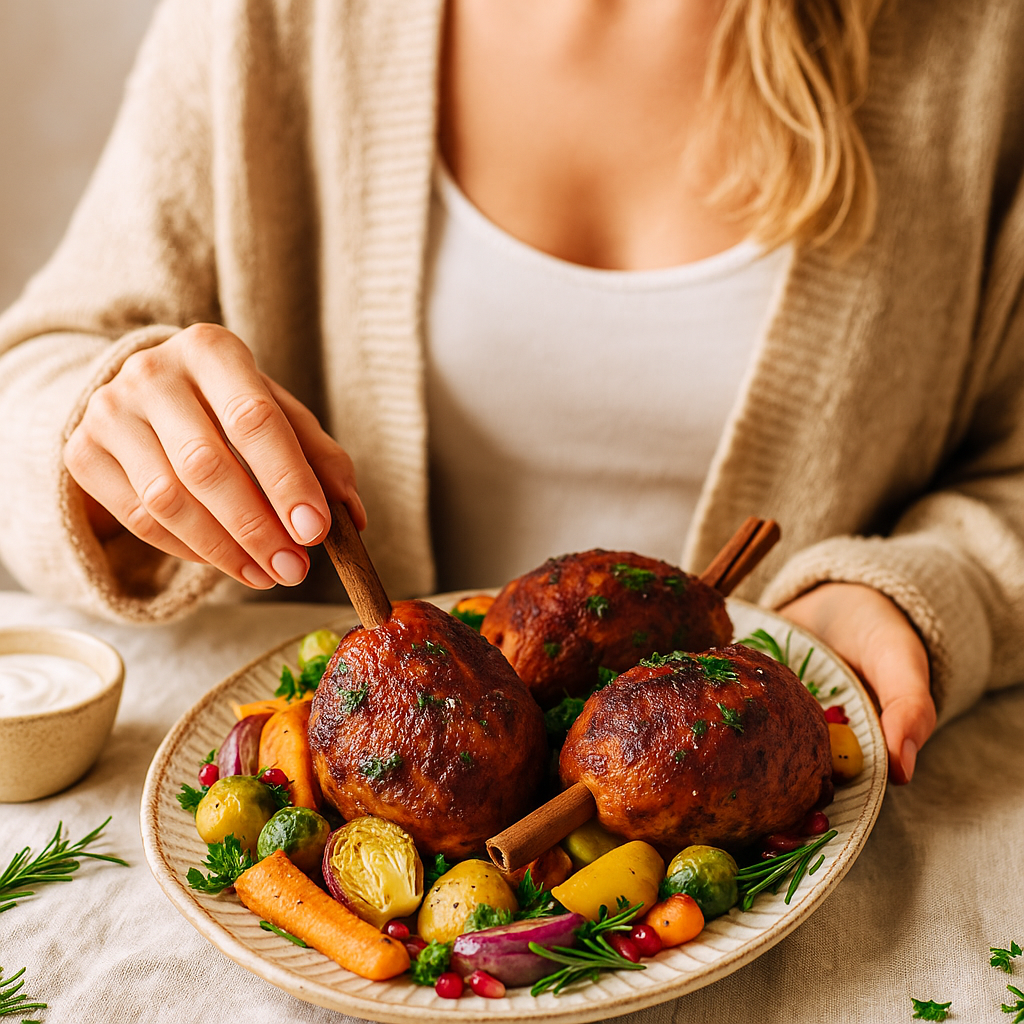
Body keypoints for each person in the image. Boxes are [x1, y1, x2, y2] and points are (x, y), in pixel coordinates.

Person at [0, 0, 1022, 788]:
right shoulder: (276, 19)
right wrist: (108, 439)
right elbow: (31, 382)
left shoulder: (984, 43)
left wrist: (914, 588)